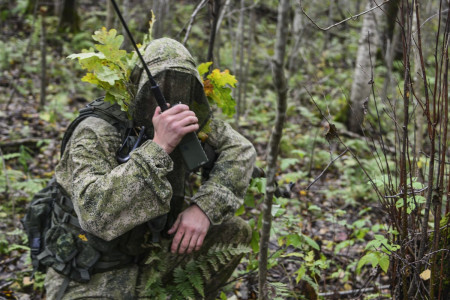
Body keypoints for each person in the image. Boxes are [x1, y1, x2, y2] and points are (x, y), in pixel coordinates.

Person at [43, 38, 256, 299]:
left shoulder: (191, 121)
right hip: (91, 272)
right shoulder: (97, 130)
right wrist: (159, 146)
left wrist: (204, 208)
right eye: (160, 85)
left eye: (183, 87)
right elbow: (94, 215)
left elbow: (241, 149)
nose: (171, 98)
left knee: (234, 232)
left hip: (149, 257)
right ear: (137, 87)